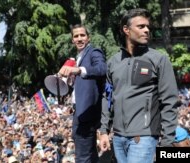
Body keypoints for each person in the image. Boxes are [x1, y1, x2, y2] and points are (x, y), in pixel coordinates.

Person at [99, 8, 179, 163]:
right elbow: (107, 98)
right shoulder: (113, 62)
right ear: (126, 30)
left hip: (144, 138)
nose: (147, 30)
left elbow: (170, 102)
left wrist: (167, 141)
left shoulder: (159, 60)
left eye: (147, 26)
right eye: (141, 27)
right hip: (118, 139)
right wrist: (103, 131)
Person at [58, 24, 106, 163]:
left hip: (87, 113)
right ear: (72, 40)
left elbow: (102, 68)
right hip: (79, 111)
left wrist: (78, 70)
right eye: (76, 36)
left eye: (82, 35)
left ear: (88, 38)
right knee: (89, 156)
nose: (79, 39)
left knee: (82, 158)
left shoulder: (94, 52)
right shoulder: (78, 58)